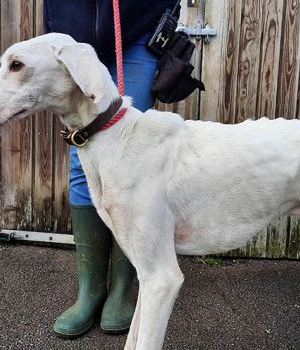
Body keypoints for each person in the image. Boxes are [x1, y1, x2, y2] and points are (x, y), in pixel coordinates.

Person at [43, 0, 180, 338]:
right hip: (73, 31)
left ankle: (122, 288)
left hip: (136, 27)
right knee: (82, 152)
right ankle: (90, 289)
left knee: (130, 155)